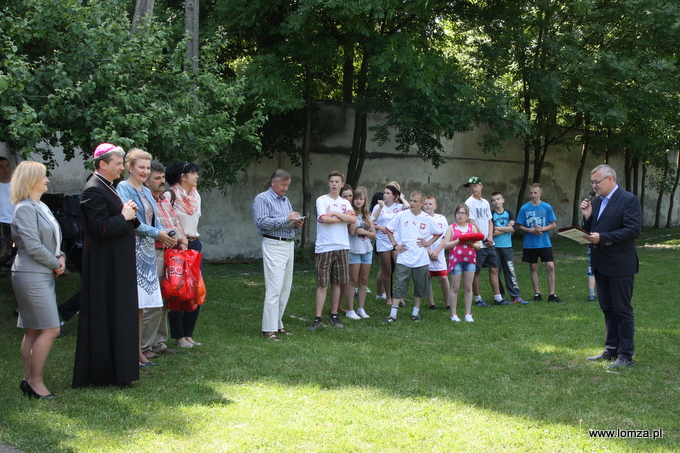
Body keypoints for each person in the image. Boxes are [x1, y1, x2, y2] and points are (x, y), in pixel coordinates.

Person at [73, 143, 140, 388]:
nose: (123, 167)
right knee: (108, 316)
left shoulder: (107, 187)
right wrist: (123, 216)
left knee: (120, 315)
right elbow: (99, 228)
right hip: (105, 267)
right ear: (103, 164)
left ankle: (119, 372)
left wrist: (127, 213)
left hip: (116, 263)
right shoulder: (93, 189)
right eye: (119, 163)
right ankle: (106, 374)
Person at [117, 149, 177, 367]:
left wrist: (165, 233)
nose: (144, 171)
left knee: (142, 306)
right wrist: (157, 234)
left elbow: (154, 220)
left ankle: (139, 353)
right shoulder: (124, 188)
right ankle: (133, 351)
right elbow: (132, 222)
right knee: (135, 305)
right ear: (129, 167)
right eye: (140, 167)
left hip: (148, 250)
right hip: (133, 249)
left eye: (147, 167)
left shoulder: (143, 190)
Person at [10, 161, 65, 398]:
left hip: (41, 272)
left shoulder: (40, 205)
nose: (47, 180)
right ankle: (35, 382)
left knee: (34, 329)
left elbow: (52, 240)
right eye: (43, 176)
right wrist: (56, 263)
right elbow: (32, 246)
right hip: (31, 274)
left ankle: (29, 380)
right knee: (51, 329)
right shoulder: (24, 208)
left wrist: (60, 256)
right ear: (31, 180)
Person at [581, 164, 641, 369]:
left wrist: (603, 238)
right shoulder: (597, 202)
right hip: (601, 264)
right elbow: (592, 231)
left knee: (622, 311)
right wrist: (588, 216)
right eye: (592, 182)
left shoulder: (628, 200)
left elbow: (633, 230)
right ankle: (611, 349)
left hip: (620, 265)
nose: (594, 186)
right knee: (608, 309)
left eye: (596, 182)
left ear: (610, 179)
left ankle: (626, 356)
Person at [251, 169, 304, 341]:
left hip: (288, 243)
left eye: (287, 185)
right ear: (273, 182)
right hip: (273, 243)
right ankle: (268, 329)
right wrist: (286, 219)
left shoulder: (285, 200)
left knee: (285, 287)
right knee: (274, 287)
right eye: (282, 185)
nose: (285, 188)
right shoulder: (262, 199)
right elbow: (262, 222)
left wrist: (295, 224)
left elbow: (286, 222)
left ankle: (278, 324)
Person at [143, 163, 187, 355]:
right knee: (152, 303)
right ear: (146, 180)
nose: (162, 181)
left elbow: (174, 221)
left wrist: (182, 238)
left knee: (165, 301)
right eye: (157, 178)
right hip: (154, 252)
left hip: (170, 252)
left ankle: (159, 344)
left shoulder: (163, 199)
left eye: (163, 178)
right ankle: (145, 346)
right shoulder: (145, 199)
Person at [382, 190, 442, 323]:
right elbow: (388, 229)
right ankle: (393, 314)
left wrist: (428, 243)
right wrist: (395, 244)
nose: (412, 203)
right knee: (399, 285)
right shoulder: (402, 215)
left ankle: (415, 313)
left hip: (421, 259)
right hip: (404, 257)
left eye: (415, 201)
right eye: (411, 200)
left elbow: (438, 232)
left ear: (421, 203)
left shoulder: (427, 219)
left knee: (420, 286)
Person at [308, 170, 355, 331]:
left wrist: (335, 213)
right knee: (322, 284)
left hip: (342, 246)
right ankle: (318, 317)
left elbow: (353, 219)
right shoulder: (322, 200)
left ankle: (334, 314)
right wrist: (342, 217)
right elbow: (323, 219)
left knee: (337, 283)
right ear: (328, 183)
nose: (334, 184)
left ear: (342, 184)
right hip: (325, 247)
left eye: (337, 182)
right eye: (332, 181)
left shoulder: (345, 202)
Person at [165, 161, 203, 348]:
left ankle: (188, 335)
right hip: (178, 246)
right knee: (179, 291)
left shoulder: (195, 195)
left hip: (195, 244)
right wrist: (180, 240)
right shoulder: (169, 195)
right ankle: (178, 337)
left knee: (196, 290)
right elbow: (168, 222)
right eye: (193, 173)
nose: (196, 176)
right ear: (183, 176)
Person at [463, 177, 508, 306]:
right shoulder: (469, 202)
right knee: (476, 271)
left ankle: (498, 297)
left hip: (488, 243)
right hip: (478, 243)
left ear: (481, 186)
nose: (472, 188)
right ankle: (478, 299)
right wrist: (482, 237)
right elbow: (471, 222)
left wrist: (490, 238)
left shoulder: (485, 203)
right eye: (470, 186)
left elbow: (489, 221)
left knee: (494, 269)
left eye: (475, 185)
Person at [516, 183, 563, 303]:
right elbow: (520, 226)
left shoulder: (547, 207)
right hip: (530, 243)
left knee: (550, 266)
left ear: (540, 193)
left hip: (544, 242)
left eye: (535, 193)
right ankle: (537, 293)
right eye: (531, 193)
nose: (533, 195)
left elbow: (553, 224)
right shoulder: (524, 208)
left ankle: (552, 294)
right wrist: (531, 230)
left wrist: (542, 229)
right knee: (533, 267)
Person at [441, 204, 481, 322]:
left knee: (468, 287)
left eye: (463, 213)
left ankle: (468, 313)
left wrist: (471, 244)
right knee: (455, 287)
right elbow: (446, 244)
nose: (460, 215)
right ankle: (453, 314)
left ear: (467, 215)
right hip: (456, 260)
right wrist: (458, 240)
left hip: (470, 260)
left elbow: (478, 245)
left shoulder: (471, 228)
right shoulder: (451, 227)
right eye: (458, 213)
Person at [372, 183, 409, 306]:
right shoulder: (378, 206)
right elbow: (371, 222)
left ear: (394, 196)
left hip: (395, 240)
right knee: (387, 270)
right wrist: (380, 227)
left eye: (388, 193)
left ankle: (400, 297)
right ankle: (388, 296)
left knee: (400, 268)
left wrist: (402, 197)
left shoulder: (398, 207)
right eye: (384, 193)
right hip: (382, 241)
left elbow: (408, 207)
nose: (385, 195)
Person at [490, 192, 528, 304]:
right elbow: (491, 233)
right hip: (495, 247)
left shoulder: (509, 213)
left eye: (498, 199)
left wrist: (499, 228)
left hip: (507, 247)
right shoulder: (491, 215)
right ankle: (499, 295)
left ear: (503, 200)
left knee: (510, 271)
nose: (496, 201)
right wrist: (506, 227)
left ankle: (515, 295)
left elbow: (514, 229)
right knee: (497, 272)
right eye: (493, 200)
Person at [344, 186, 376, 320]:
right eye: (356, 198)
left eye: (361, 199)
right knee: (353, 280)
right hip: (354, 249)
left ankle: (361, 308)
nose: (358, 201)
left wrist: (366, 232)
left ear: (365, 200)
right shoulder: (350, 213)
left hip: (367, 250)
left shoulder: (367, 215)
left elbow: (374, 235)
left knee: (363, 280)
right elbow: (351, 232)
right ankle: (350, 309)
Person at [422, 196, 450, 311]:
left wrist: (437, 251)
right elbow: (420, 237)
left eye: (430, 204)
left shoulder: (441, 218)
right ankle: (431, 303)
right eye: (426, 204)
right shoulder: (421, 218)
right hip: (426, 253)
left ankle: (448, 302)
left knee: (443, 278)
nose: (428, 206)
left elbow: (445, 236)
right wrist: (429, 251)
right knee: (428, 278)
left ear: (435, 206)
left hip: (439, 253)